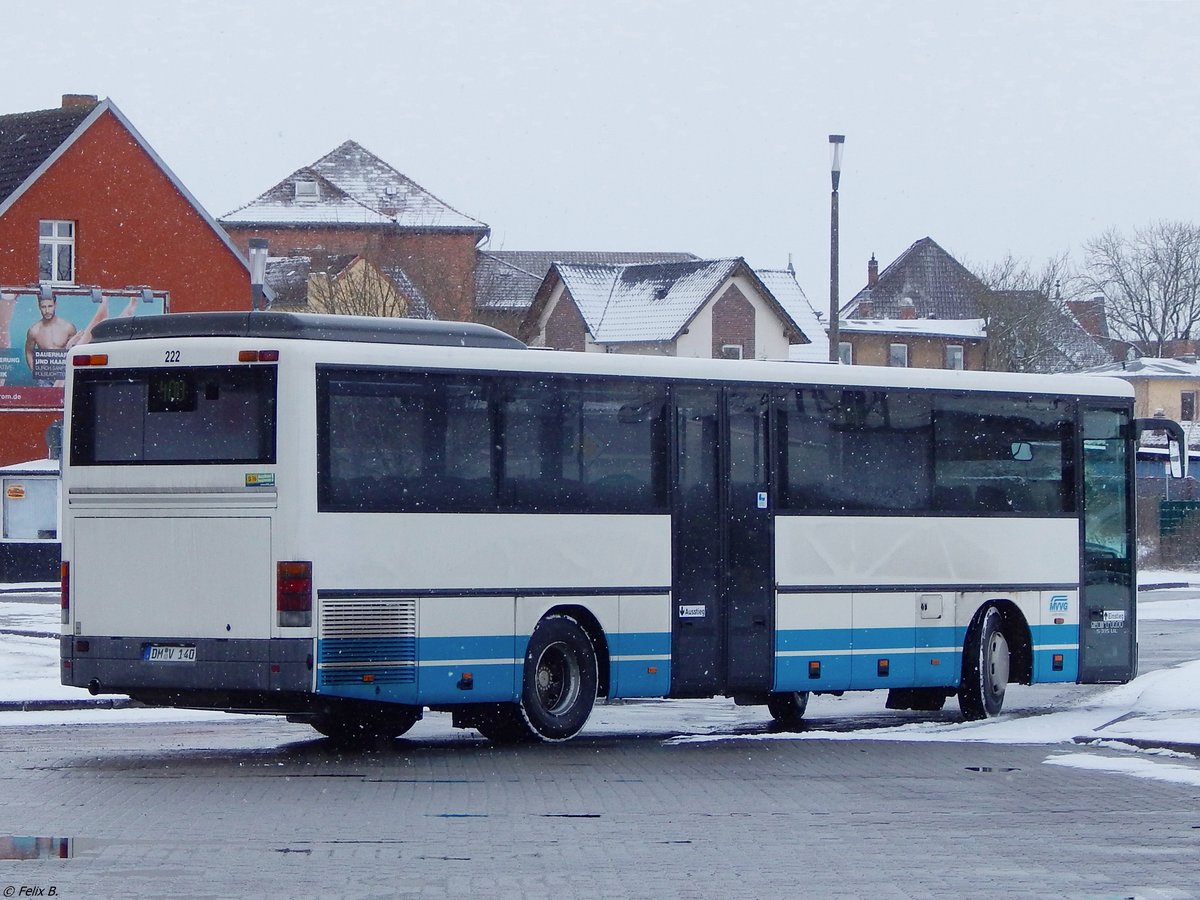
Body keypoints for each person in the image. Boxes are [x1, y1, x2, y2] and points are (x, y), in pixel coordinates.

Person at [25, 294, 77, 385]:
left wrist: (71, 371)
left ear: (55, 305)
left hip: (64, 374)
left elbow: (75, 351)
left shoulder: (68, 327)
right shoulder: (34, 330)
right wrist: (35, 370)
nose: (47, 311)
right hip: (44, 376)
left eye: (50, 306)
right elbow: (28, 351)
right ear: (39, 307)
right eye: (43, 307)